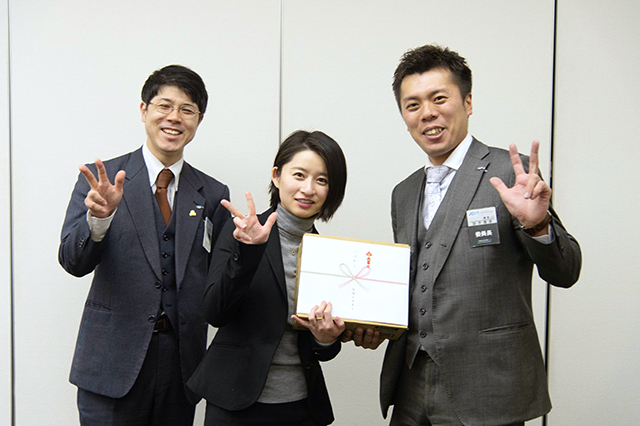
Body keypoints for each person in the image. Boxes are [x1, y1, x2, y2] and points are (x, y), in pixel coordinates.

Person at [344, 44, 582, 425]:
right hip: (410, 385)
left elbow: (566, 271)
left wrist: (538, 226)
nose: (427, 113)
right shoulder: (403, 193)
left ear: (468, 102)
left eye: (439, 98)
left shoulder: (511, 174)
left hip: (489, 387)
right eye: (413, 105)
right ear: (404, 116)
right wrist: (368, 322)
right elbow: (412, 285)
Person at [58, 65, 230, 426]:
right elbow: (72, 261)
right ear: (143, 110)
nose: (174, 118)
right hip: (111, 363)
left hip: (180, 366)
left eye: (186, 109)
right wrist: (99, 219)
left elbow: (219, 282)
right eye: (164, 106)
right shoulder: (102, 180)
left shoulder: (213, 194)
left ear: (199, 120)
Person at [187, 130, 348, 426]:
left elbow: (324, 349)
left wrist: (325, 340)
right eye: (299, 175)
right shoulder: (241, 232)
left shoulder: (330, 254)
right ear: (276, 176)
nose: (308, 189)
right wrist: (248, 253)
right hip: (235, 402)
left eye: (322, 180)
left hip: (301, 406)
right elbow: (214, 313)